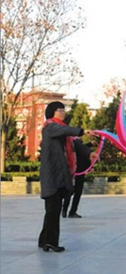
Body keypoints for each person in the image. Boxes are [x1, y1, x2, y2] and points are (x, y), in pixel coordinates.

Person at [38, 102, 93, 252]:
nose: (63, 112)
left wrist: (89, 153)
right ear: (52, 112)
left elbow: (75, 144)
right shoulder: (50, 127)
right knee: (53, 209)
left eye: (63, 110)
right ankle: (51, 242)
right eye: (60, 110)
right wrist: (82, 131)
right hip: (51, 175)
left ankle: (44, 240)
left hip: (60, 175)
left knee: (52, 209)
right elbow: (66, 131)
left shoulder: (62, 131)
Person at [62, 140, 96, 218]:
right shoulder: (72, 145)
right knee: (70, 191)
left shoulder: (81, 147)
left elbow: (86, 155)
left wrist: (90, 167)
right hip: (72, 172)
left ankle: (72, 211)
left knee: (78, 192)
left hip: (80, 172)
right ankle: (65, 210)